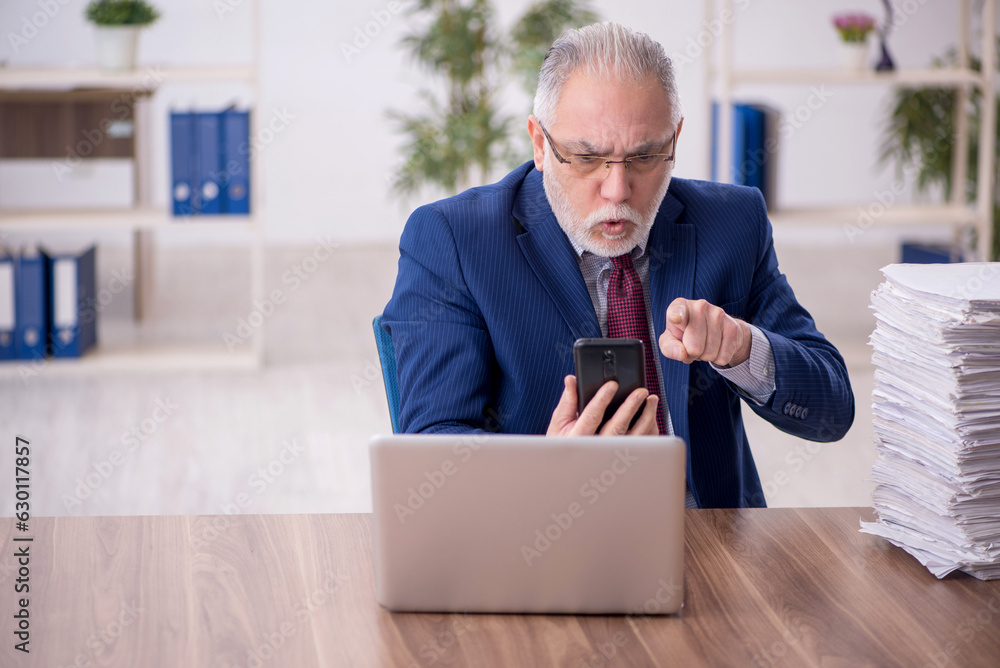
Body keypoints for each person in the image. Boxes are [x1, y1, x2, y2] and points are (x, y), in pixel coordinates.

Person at [381, 21, 854, 508]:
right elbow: (431, 461)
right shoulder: (455, 240)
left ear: (674, 139)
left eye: (645, 156)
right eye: (586, 158)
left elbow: (833, 410)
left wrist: (742, 349)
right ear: (540, 145)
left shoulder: (732, 223)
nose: (617, 191)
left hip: (708, 546)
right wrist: (544, 476)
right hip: (540, 554)